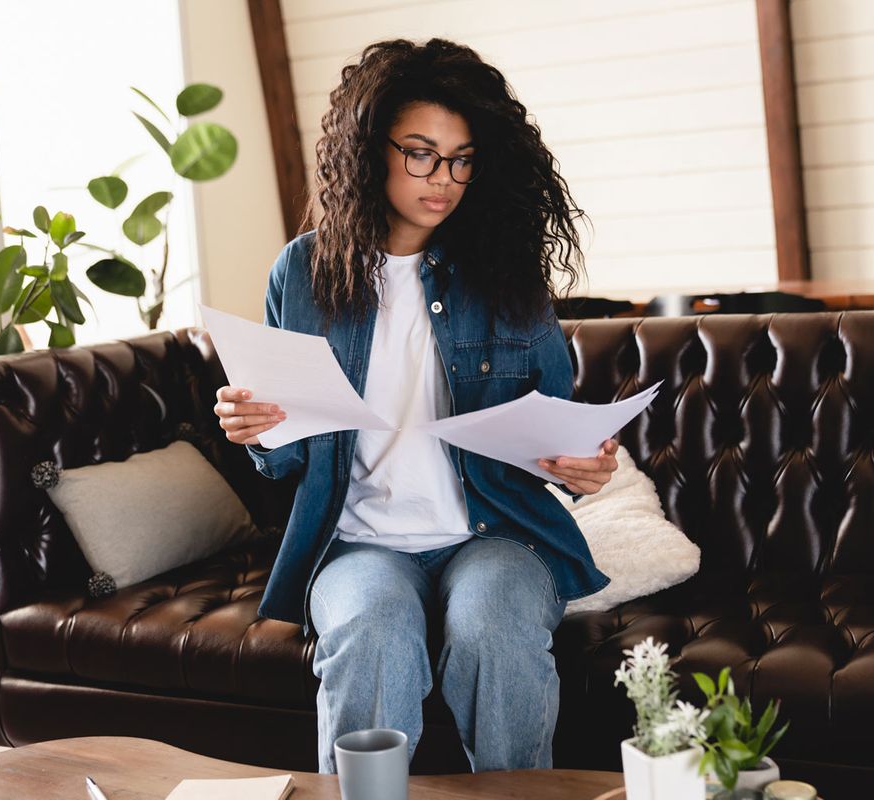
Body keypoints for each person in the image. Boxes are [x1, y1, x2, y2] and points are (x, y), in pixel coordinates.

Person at [213, 38, 618, 774]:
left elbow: (557, 423)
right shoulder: (301, 274)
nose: (446, 178)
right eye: (422, 154)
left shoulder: (504, 273)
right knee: (368, 629)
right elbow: (285, 460)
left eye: (462, 159)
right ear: (370, 150)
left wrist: (583, 465)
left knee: (494, 628)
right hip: (358, 541)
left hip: (494, 535)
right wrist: (257, 432)